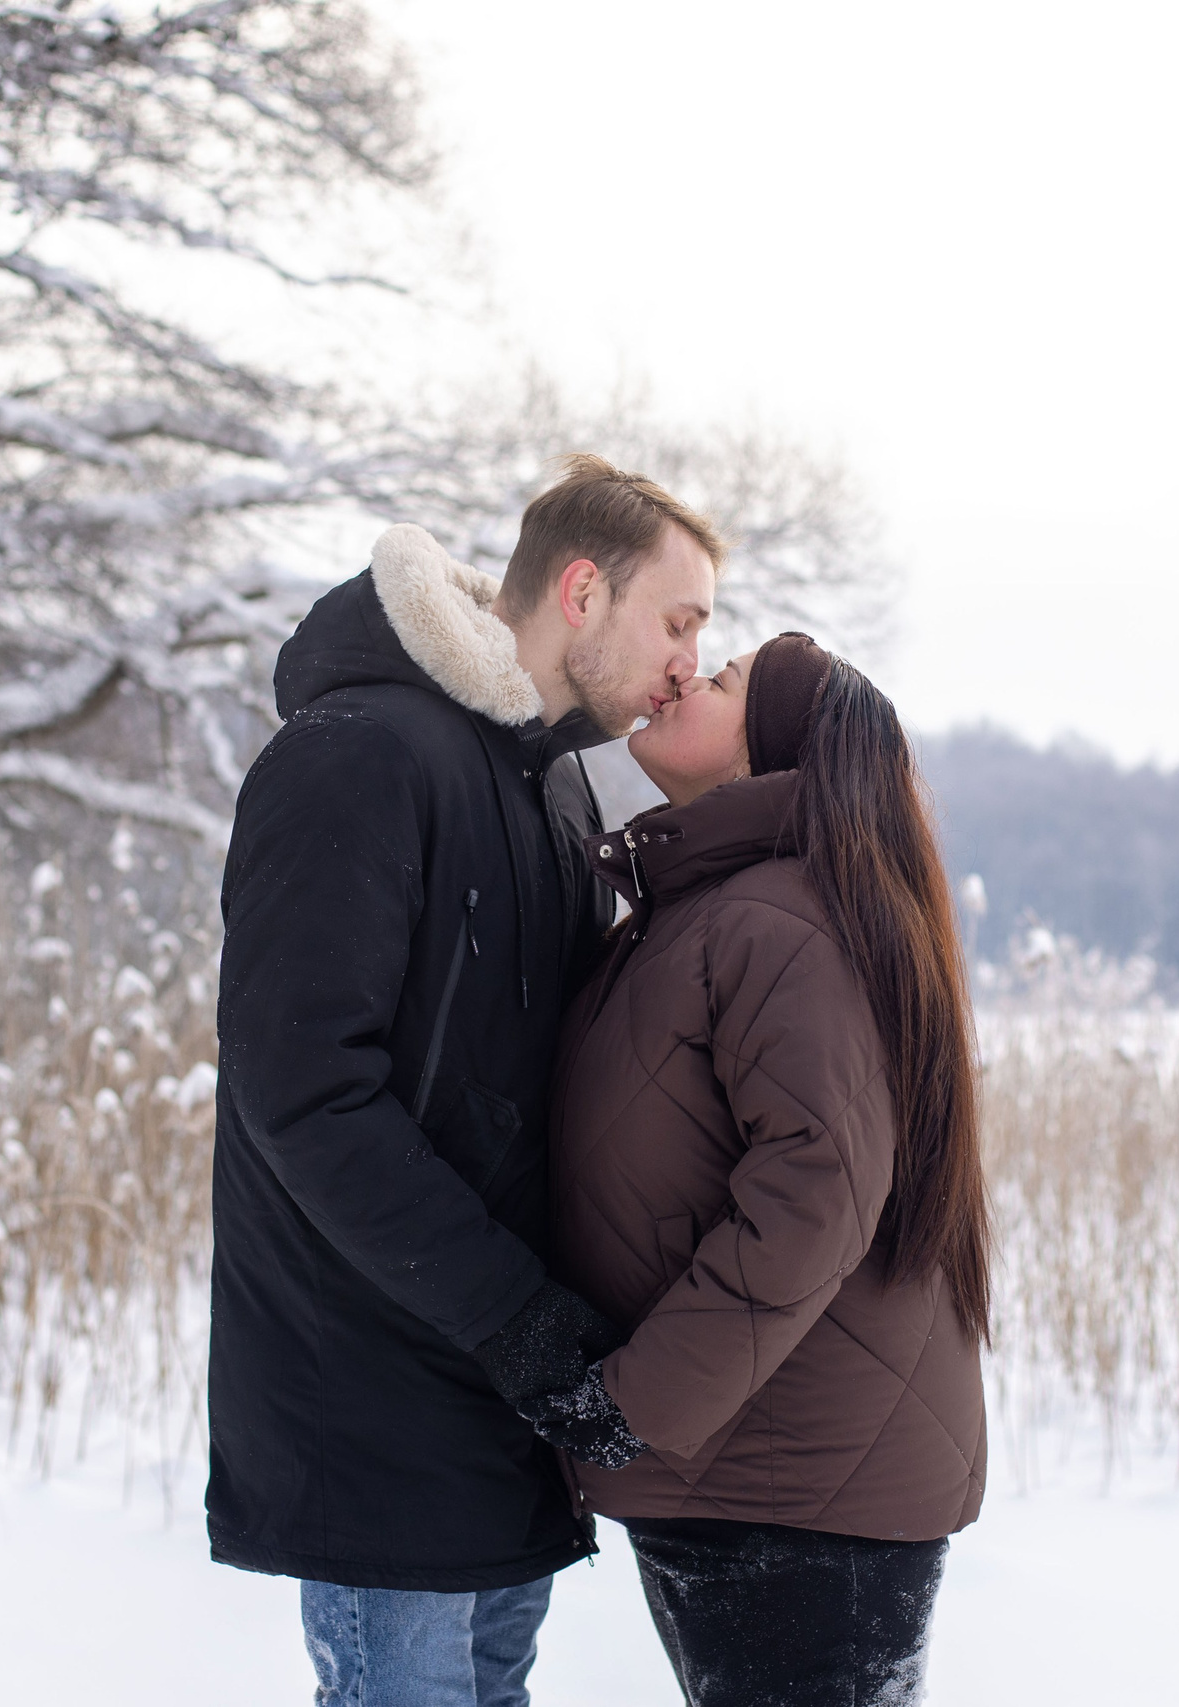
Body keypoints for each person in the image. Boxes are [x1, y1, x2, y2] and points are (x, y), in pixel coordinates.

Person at [209, 454, 724, 1706]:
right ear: (583, 591)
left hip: (504, 1401)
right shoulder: (357, 755)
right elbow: (303, 1092)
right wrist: (516, 1319)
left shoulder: (550, 790)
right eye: (679, 621)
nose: (689, 662)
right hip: (376, 1398)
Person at [529, 632, 994, 1707]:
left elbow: (813, 1197)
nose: (687, 675)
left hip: (795, 1489)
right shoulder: (710, 911)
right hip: (757, 1475)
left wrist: (634, 1404)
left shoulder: (774, 921)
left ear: (772, 753)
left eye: (725, 679)